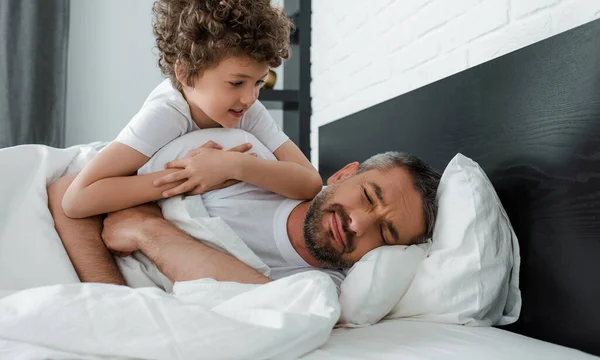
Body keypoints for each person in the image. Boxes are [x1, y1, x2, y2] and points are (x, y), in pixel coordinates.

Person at [60, 0, 322, 223]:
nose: (251, 97)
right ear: (186, 73)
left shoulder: (248, 109)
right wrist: (187, 177)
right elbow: (76, 200)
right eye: (236, 83)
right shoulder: (165, 113)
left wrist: (233, 166)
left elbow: (310, 182)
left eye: (259, 83)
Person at [48, 136, 441, 288]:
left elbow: (267, 306)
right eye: (369, 197)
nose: (358, 223)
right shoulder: (241, 160)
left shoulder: (326, 290)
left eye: (385, 234)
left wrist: (145, 229)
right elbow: (68, 193)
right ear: (341, 175)